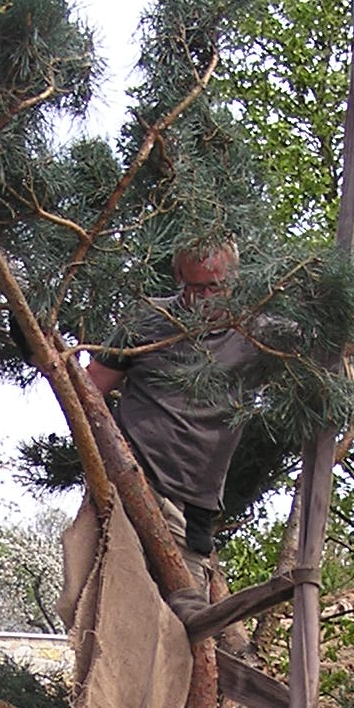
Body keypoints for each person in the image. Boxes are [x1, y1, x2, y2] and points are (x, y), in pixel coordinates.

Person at [86, 239, 265, 597]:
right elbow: (90, 388)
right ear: (178, 278)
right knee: (113, 607)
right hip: (129, 483)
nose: (201, 298)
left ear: (233, 282)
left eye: (212, 287)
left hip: (193, 502)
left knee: (183, 623)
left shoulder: (256, 333)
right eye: (192, 287)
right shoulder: (147, 320)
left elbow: (328, 342)